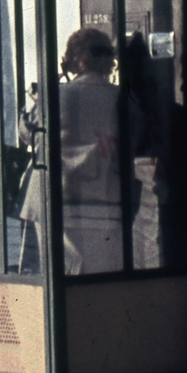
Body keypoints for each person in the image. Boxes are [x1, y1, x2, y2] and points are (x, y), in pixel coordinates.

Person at [57, 27, 124, 274]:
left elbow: (27, 131)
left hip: (64, 199)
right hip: (108, 199)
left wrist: (59, 78)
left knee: (68, 271)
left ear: (76, 58)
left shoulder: (60, 95)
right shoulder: (122, 97)